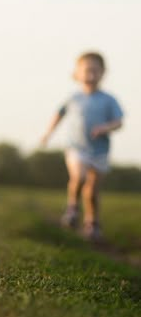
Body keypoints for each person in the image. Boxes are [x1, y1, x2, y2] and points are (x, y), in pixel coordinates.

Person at [41, 52, 123, 241]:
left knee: (92, 190)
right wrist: (48, 133)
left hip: (100, 151)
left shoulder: (108, 99)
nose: (91, 75)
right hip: (76, 147)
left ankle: (92, 222)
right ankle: (72, 208)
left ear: (103, 73)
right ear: (76, 74)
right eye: (87, 70)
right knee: (79, 176)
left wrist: (105, 127)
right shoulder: (73, 98)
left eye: (96, 70)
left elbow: (119, 122)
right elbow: (59, 114)